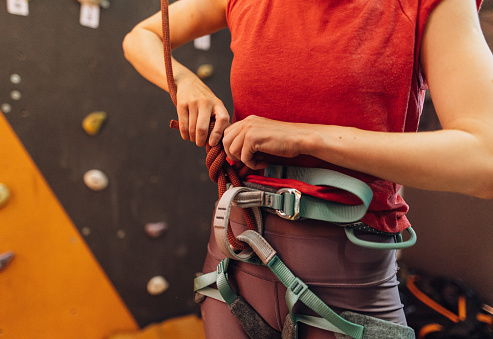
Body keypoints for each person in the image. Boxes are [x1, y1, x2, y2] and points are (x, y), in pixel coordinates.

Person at [123, 0, 493, 337]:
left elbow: (484, 160)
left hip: (347, 290)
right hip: (232, 273)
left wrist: (304, 138)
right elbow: (142, 36)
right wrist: (186, 84)